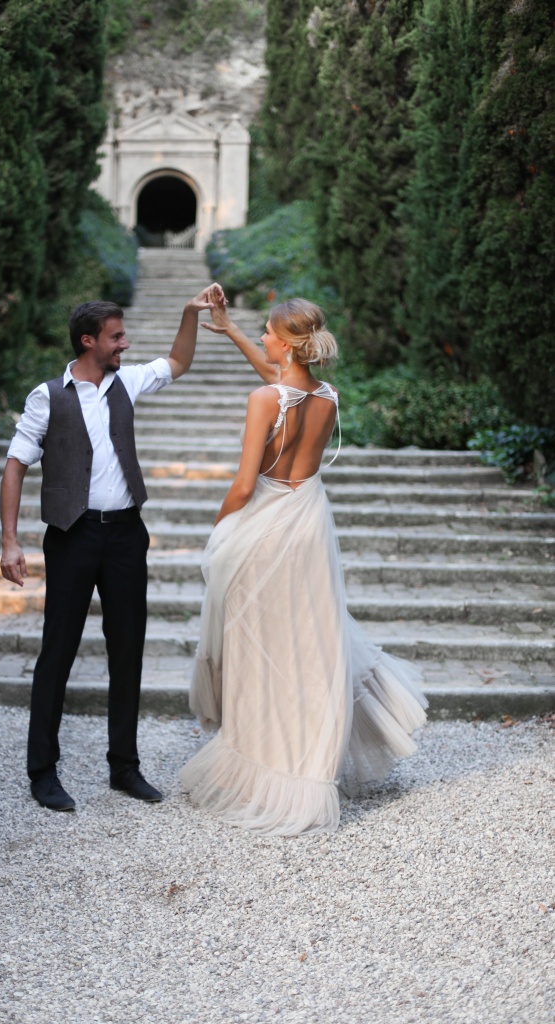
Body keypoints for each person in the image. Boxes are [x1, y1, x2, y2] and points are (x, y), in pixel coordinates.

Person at [179, 293, 428, 835]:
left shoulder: (263, 399)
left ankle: (262, 765)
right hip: (309, 524)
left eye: (267, 333)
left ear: (287, 344)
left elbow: (244, 485)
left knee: (258, 647)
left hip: (265, 528)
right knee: (307, 644)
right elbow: (282, 382)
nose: (262, 339)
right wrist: (231, 330)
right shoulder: (328, 397)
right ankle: (308, 759)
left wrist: (220, 529)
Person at [0, 287, 217, 811]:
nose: (125, 344)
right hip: (71, 536)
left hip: (125, 536)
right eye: (116, 337)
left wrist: (189, 312)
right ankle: (42, 772)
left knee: (127, 649)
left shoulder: (129, 381)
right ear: (88, 341)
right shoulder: (47, 396)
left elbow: (179, 361)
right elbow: (15, 465)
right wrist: (10, 541)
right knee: (58, 651)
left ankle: (124, 767)